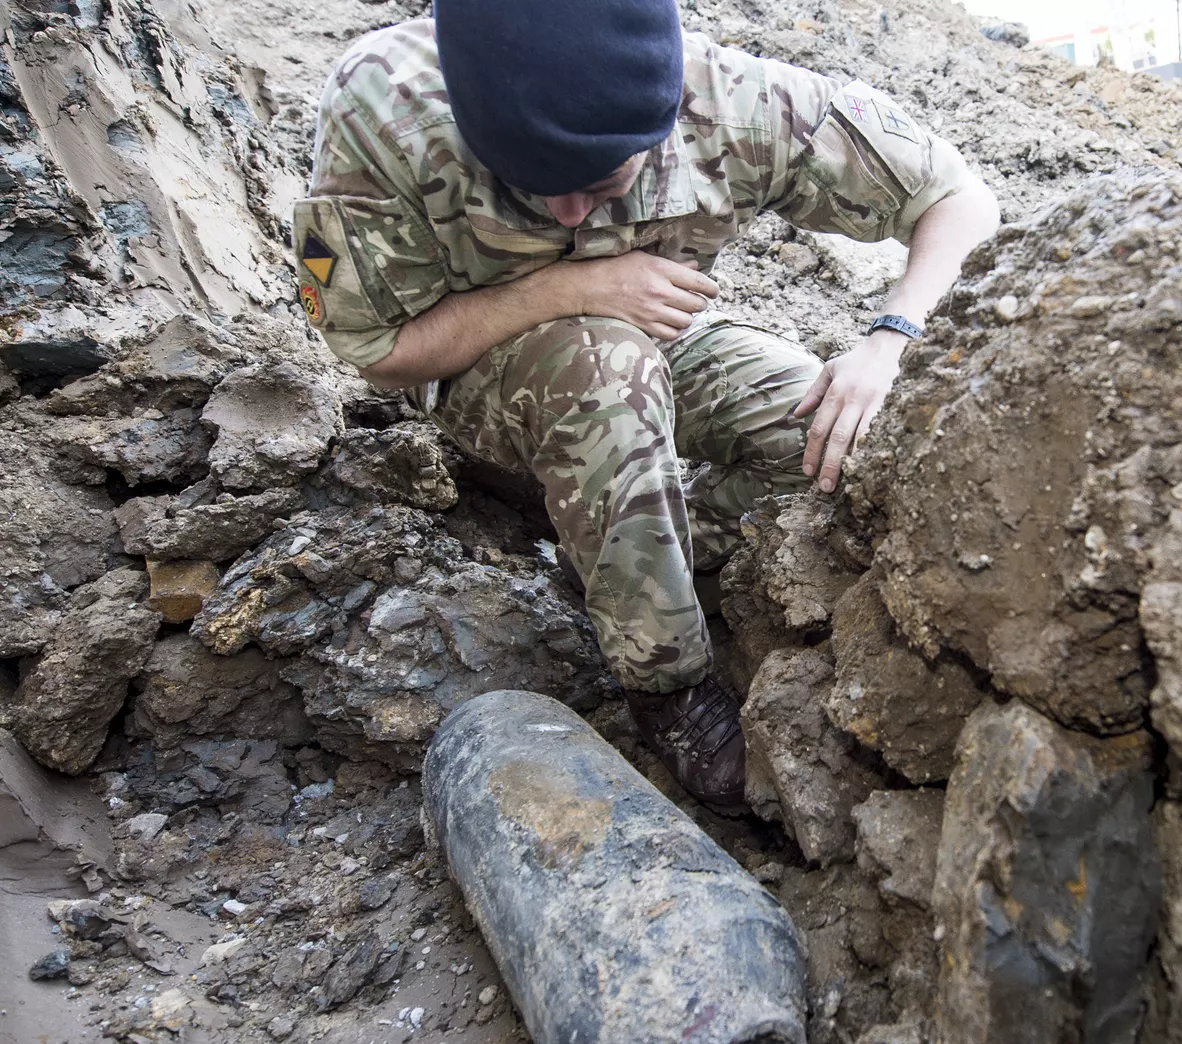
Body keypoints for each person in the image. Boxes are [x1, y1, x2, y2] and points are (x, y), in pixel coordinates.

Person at [292, 0, 1000, 813]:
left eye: (600, 182)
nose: (569, 213)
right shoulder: (384, 105)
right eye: (533, 183)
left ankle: (614, 541)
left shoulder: (733, 102)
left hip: (663, 343)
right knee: (604, 368)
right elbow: (376, 348)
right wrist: (568, 287)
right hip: (480, 370)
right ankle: (666, 685)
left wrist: (890, 338)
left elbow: (958, 199)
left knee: (823, 431)